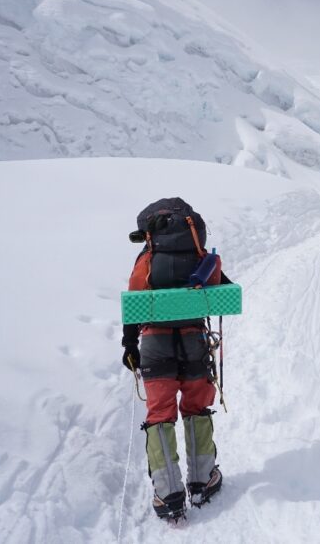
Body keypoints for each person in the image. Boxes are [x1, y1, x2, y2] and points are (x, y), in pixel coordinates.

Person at [122, 197, 226, 520]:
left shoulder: (147, 261)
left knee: (160, 413)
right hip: (194, 342)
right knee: (196, 406)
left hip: (155, 344)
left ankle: (168, 494)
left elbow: (133, 303)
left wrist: (130, 345)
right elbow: (224, 290)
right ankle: (202, 479)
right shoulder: (200, 257)